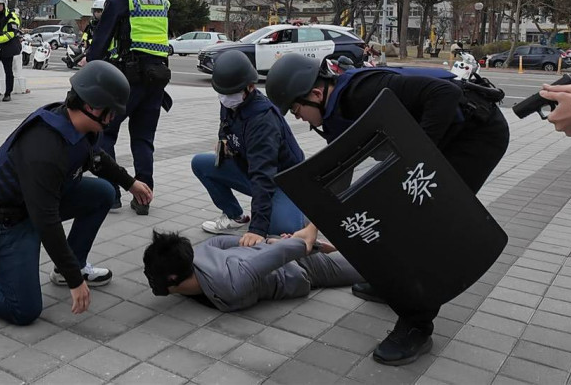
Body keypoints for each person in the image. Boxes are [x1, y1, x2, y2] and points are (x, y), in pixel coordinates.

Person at [266, 54, 510, 366]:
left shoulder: (365, 91)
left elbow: (445, 94)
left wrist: (417, 156)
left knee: (420, 228)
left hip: (477, 135)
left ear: (315, 93)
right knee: (395, 220)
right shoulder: (333, 111)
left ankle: (416, 324)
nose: (297, 118)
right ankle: (394, 286)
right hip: (447, 138)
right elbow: (338, 172)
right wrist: (312, 227)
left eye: (296, 109)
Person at [0, 61, 153, 325]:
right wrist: (77, 283)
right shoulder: (45, 149)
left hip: (34, 202)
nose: (114, 119)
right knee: (23, 309)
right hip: (6, 219)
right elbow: (47, 221)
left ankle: (70, 268)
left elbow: (95, 158)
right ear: (93, 106)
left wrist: (129, 182)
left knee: (102, 193)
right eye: (112, 112)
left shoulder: (77, 124)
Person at [84, 0, 172, 215]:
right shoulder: (160, 0)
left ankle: (110, 194)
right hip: (157, 79)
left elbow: (101, 39)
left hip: (128, 78)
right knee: (143, 139)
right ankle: (143, 199)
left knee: (105, 133)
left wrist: (90, 61)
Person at [191, 51, 307, 241]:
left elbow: (263, 175)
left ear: (250, 87)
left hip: (284, 181)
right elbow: (225, 124)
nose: (225, 98)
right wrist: (224, 141)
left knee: (282, 230)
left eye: (230, 93)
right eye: (222, 93)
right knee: (201, 163)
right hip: (250, 170)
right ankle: (235, 216)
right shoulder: (230, 100)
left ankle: (299, 211)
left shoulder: (262, 120)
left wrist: (257, 230)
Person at [141, 224, 362, 312]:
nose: (148, 276)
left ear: (172, 278)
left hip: (299, 264)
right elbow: (218, 243)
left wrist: (302, 244)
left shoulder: (230, 283)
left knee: (369, 267)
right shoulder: (193, 257)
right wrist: (268, 244)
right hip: (279, 255)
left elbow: (292, 249)